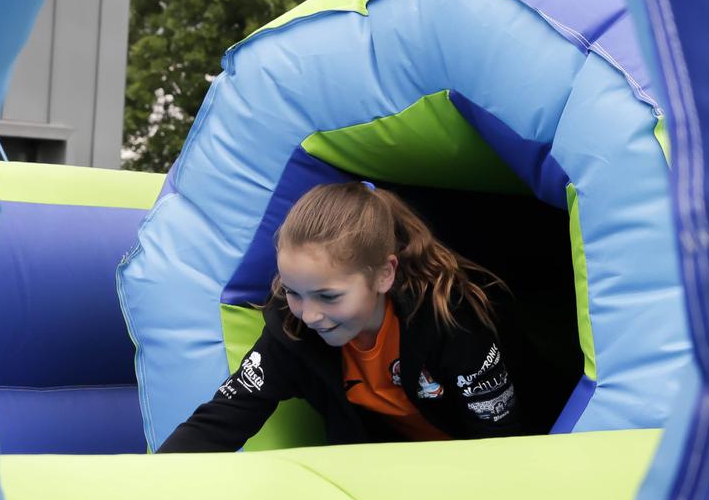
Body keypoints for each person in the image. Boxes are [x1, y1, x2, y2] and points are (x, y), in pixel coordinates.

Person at [158, 181, 554, 452]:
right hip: (394, 472)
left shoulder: (446, 315)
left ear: (384, 274)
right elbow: (223, 417)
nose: (311, 314)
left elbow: (501, 437)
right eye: (293, 292)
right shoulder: (293, 328)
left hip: (506, 451)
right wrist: (146, 487)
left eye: (329, 296)